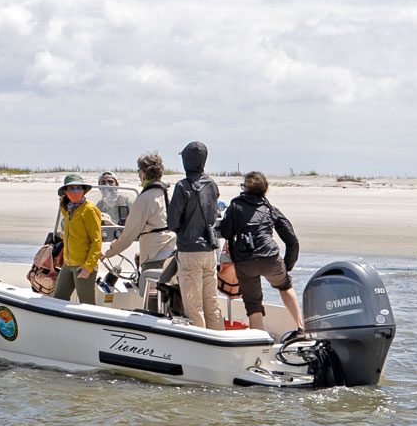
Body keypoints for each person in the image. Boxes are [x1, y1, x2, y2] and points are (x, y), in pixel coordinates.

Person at [217, 171, 304, 333]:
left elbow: (227, 232)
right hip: (270, 258)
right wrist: (287, 266)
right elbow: (292, 241)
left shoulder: (235, 206)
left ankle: (260, 342)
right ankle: (300, 328)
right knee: (285, 286)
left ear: (245, 187)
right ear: (265, 189)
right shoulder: (269, 208)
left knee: (253, 305)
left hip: (245, 261)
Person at [168, 141, 223, 330]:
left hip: (190, 251)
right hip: (209, 251)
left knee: (193, 305)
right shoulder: (212, 185)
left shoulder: (182, 186)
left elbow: (172, 222)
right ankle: (218, 339)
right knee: (211, 302)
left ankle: (202, 345)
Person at [102, 152, 177, 272]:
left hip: (154, 256)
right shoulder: (168, 193)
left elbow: (129, 234)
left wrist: (108, 253)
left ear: (143, 174)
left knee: (148, 288)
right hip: (173, 251)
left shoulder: (144, 199)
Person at [51, 174, 102, 305]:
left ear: (83, 190)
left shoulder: (89, 210)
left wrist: (88, 267)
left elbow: (96, 240)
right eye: (71, 188)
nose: (75, 191)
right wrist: (62, 200)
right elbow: (63, 207)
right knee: (58, 299)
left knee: (87, 304)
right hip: (68, 264)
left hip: (83, 265)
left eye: (78, 188)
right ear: (66, 192)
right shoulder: (68, 209)